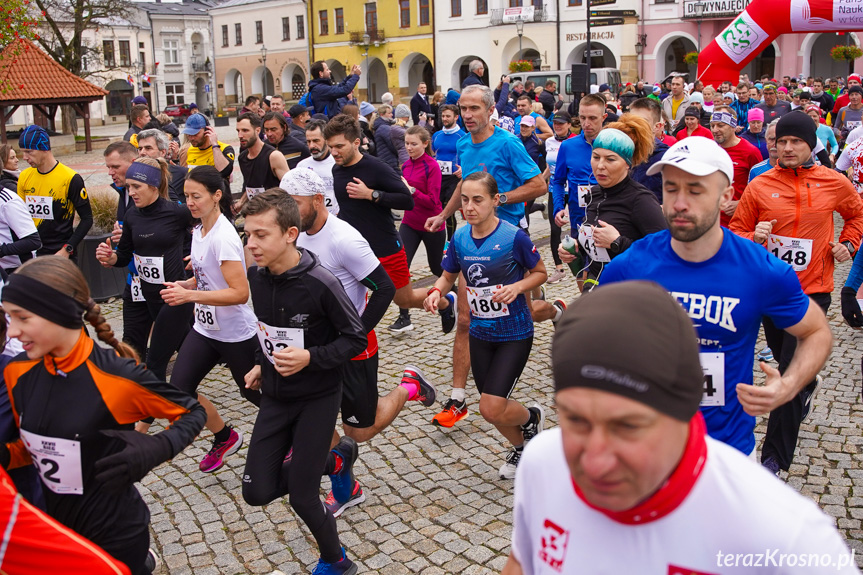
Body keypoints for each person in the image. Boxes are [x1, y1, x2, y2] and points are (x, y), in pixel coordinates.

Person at [502, 281, 856, 575]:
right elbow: (522, 562)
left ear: (686, 406)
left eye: (627, 426)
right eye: (575, 420)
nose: (594, 460)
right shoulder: (543, 462)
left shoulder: (786, 535)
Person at [595, 136, 832, 460]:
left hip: (724, 453)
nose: (679, 202)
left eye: (695, 190)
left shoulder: (759, 269)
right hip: (644, 449)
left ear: (725, 197)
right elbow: (590, 329)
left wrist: (790, 386)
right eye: (671, 188)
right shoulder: (635, 262)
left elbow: (816, 331)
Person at [1, 256, 206, 575]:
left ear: (58, 312)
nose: (12, 332)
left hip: (115, 533)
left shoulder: (116, 376)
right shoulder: (17, 373)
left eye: (22, 318)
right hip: (58, 531)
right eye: (8, 318)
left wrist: (158, 447)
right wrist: (7, 455)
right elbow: (38, 445)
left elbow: (192, 412)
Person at [286, 169, 432, 518]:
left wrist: (355, 335)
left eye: (294, 204)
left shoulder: (344, 240)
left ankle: (408, 387)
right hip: (315, 345)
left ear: (318, 201)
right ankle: (346, 487)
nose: (287, 212)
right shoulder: (295, 233)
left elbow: (383, 289)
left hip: (354, 344)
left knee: (359, 430)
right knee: (307, 418)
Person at [240, 189, 366, 575]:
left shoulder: (321, 282)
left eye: (262, 235)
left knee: (303, 495)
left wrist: (311, 357)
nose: (252, 244)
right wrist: (263, 362)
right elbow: (268, 331)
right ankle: (337, 459)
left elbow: (355, 338)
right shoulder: (256, 278)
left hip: (318, 397)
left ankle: (337, 561)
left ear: (290, 233)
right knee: (256, 490)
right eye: (248, 235)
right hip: (277, 396)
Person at [730, 111, 863, 475]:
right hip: (770, 291)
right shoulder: (760, 183)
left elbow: (857, 214)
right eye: (782, 142)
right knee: (781, 356)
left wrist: (848, 244)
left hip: (812, 292)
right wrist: (754, 237)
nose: (787, 148)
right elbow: (736, 231)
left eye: (795, 142)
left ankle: (773, 459)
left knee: (787, 372)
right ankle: (805, 386)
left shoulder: (833, 181)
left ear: (810, 145)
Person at [423, 85, 550, 427]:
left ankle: (553, 309)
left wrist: (497, 200)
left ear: (490, 110)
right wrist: (445, 212)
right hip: (472, 241)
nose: (467, 115)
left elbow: (539, 185)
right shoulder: (464, 143)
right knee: (466, 317)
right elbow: (467, 187)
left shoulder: (507, 143)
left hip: (507, 240)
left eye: (474, 108)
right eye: (463, 108)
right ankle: (458, 397)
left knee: (523, 309)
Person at [424, 172, 546, 479]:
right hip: (480, 334)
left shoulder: (512, 237)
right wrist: (436, 291)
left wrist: (518, 288)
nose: (469, 207)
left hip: (514, 332)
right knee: (493, 407)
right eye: (464, 200)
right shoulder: (461, 239)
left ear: (494, 201)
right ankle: (522, 444)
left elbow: (540, 272)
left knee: (490, 407)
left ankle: (531, 418)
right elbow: (448, 275)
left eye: (477, 200)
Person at [157, 165, 261, 473]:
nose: (189, 202)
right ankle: (224, 437)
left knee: (252, 393)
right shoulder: (199, 230)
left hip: (234, 331)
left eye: (196, 196)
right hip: (206, 329)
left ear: (217, 196)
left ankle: (296, 434)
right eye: (186, 196)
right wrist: (188, 285)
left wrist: (189, 297)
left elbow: (240, 292)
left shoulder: (223, 237)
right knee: (180, 388)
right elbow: (208, 279)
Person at [95, 158, 195, 385]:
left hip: (174, 297)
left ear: (153, 186)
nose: (131, 192)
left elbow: (202, 229)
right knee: (191, 348)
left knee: (156, 363)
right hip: (149, 297)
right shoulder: (132, 216)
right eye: (129, 187)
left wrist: (196, 257)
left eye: (136, 187)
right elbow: (124, 255)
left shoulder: (177, 213)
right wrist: (110, 257)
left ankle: (150, 413)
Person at [564, 114, 666, 290]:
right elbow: (596, 246)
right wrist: (576, 247)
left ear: (627, 164)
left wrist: (618, 242)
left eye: (610, 159)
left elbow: (663, 255)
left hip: (630, 292)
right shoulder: (593, 193)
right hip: (597, 287)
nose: (600, 165)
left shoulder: (642, 200)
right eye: (596, 157)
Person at [390, 126, 446, 332]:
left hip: (432, 223)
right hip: (410, 223)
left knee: (436, 268)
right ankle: (404, 317)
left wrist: (411, 191)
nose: (409, 147)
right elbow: (405, 198)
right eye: (406, 143)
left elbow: (433, 202)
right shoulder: (405, 166)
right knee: (401, 265)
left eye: (414, 144)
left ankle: (455, 295)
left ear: (425, 143)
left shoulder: (432, 166)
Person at [16, 125, 92, 259]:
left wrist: (68, 248)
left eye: (29, 151)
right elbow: (20, 217)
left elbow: (87, 219)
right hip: (33, 254)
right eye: (22, 152)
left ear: (44, 148)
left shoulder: (71, 178)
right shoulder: (24, 176)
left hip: (60, 254)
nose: (24, 157)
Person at [552, 94, 604, 230]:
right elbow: (558, 181)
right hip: (579, 220)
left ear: (603, 118)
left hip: (607, 218)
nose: (586, 123)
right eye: (583, 118)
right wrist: (559, 207)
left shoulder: (613, 144)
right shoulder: (568, 146)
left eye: (592, 118)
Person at [709, 106, 762, 227]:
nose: (715, 130)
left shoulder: (750, 152)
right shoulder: (709, 149)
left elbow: (761, 188)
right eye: (712, 126)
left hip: (737, 224)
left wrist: (741, 203)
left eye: (720, 125)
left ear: (733, 126)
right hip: (711, 222)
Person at [543, 110, 574, 284]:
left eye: (562, 123)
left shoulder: (576, 141)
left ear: (569, 124)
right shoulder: (549, 141)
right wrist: (540, 180)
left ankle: (581, 266)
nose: (558, 126)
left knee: (578, 227)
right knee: (555, 230)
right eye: (555, 123)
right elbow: (550, 166)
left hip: (574, 190)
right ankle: (559, 269)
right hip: (555, 189)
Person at [236, 112, 290, 206]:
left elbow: (290, 188)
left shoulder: (273, 156)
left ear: (257, 131)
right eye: (238, 131)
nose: (240, 135)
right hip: (255, 212)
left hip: (275, 212)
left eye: (245, 130)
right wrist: (241, 202)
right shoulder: (242, 157)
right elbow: (250, 186)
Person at [0, 147, 39, 273]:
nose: (18, 160)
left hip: (18, 270)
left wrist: (2, 251)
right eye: (12, 157)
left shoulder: (8, 201)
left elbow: (34, 241)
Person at [431, 103, 464, 240]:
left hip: (453, 178)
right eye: (443, 116)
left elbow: (468, 154)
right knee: (436, 208)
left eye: (448, 116)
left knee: (448, 210)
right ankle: (437, 238)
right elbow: (433, 153)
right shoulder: (437, 135)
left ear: (456, 117)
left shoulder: (462, 136)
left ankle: (450, 241)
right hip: (439, 177)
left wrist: (463, 168)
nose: (444, 119)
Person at [628, 98, 671, 203]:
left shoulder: (665, 158)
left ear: (657, 127)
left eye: (642, 122)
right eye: (631, 121)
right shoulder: (621, 151)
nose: (636, 126)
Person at [296, 119, 339, 214]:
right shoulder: (301, 166)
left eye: (316, 141)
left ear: (326, 140)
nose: (312, 146)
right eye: (308, 141)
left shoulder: (337, 163)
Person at [182, 114, 235, 188]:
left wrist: (215, 145)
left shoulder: (224, 149)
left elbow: (224, 171)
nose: (192, 138)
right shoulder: (190, 150)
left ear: (207, 130)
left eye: (195, 134)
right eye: (189, 134)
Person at [136, 129, 186, 202]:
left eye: (148, 148)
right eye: (140, 149)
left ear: (163, 152)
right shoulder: (135, 175)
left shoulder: (181, 174)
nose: (142, 152)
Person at [373, 105, 401, 173]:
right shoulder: (384, 128)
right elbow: (393, 145)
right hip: (390, 161)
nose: (392, 115)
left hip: (385, 160)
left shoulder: (381, 125)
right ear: (382, 114)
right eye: (389, 113)